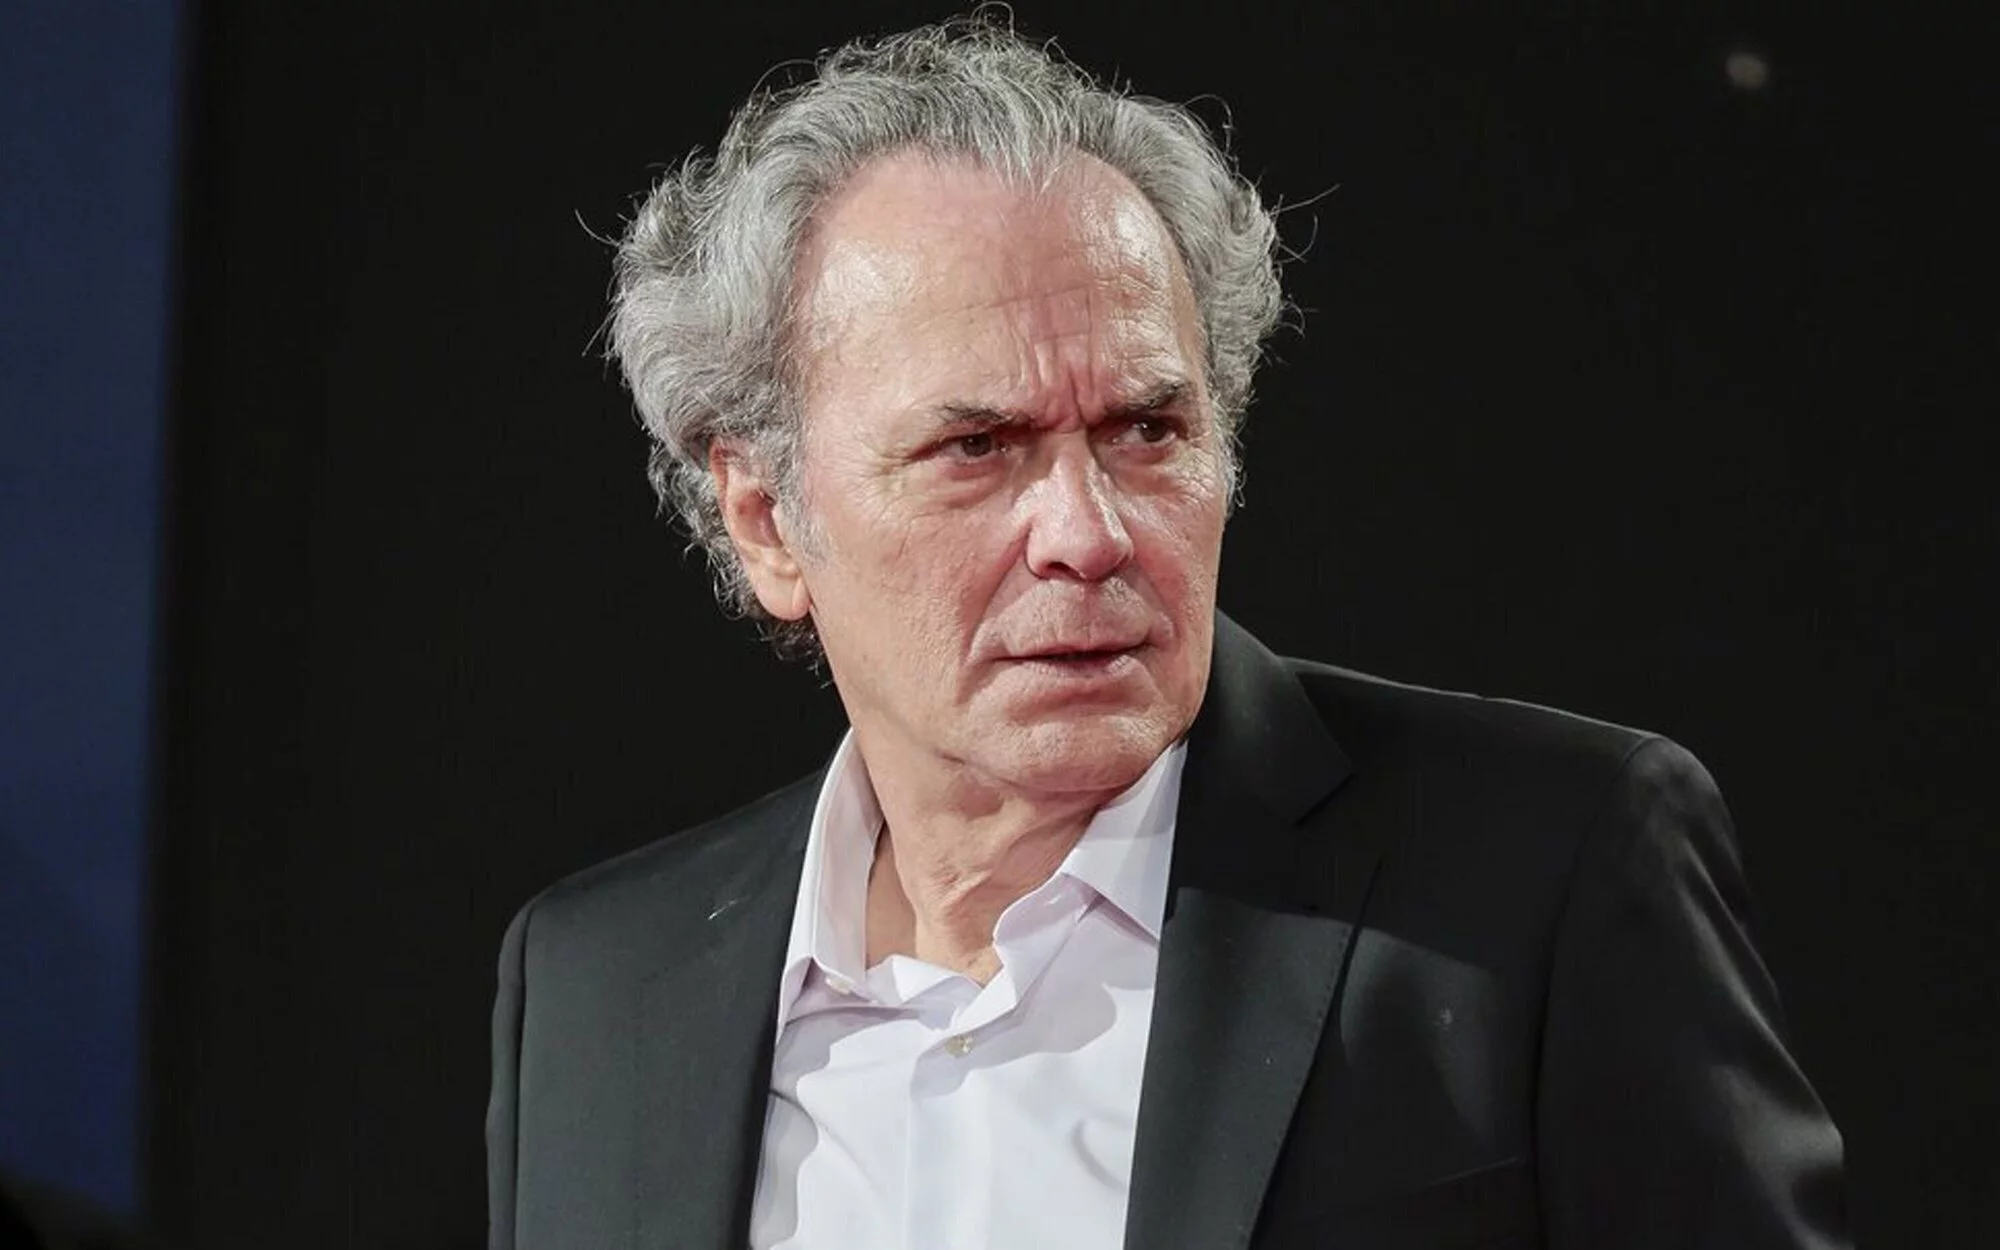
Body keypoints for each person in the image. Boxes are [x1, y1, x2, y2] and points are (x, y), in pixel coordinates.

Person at [485, 14, 1849, 1248]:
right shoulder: (596, 989)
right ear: (767, 519)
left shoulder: (1544, 874)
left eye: (1146, 429)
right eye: (977, 446)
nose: (1087, 533)